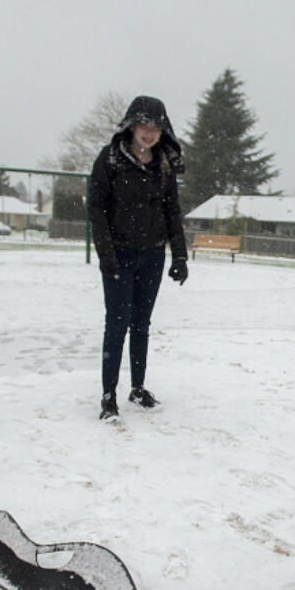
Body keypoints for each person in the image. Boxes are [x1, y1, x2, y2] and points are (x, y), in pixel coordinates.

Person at [88, 95, 189, 422]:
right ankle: (108, 396)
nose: (149, 132)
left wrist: (180, 256)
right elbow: (97, 210)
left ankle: (138, 387)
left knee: (141, 324)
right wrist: (106, 255)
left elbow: (172, 211)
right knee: (116, 325)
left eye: (155, 126)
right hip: (119, 255)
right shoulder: (110, 160)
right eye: (143, 125)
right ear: (130, 126)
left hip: (152, 256)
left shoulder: (162, 165)